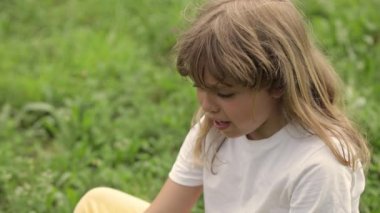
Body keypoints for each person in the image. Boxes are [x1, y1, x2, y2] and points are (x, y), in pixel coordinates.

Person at [74, 0, 371, 212]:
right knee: (98, 203)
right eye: (199, 88)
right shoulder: (213, 129)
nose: (207, 105)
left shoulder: (320, 166)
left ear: (278, 84)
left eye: (225, 93)